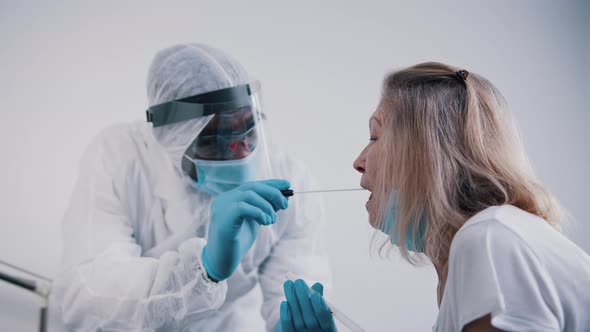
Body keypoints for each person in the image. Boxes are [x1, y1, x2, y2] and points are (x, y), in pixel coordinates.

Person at [277, 62, 590, 331]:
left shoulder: (489, 239)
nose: (358, 161)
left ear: (426, 155)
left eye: (376, 137)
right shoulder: (474, 255)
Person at [50, 43, 331, 331]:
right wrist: (203, 271)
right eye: (216, 138)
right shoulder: (118, 158)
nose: (240, 150)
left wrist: (292, 325)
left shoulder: (289, 180)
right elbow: (88, 295)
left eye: (248, 128)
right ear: (172, 137)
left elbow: (297, 287)